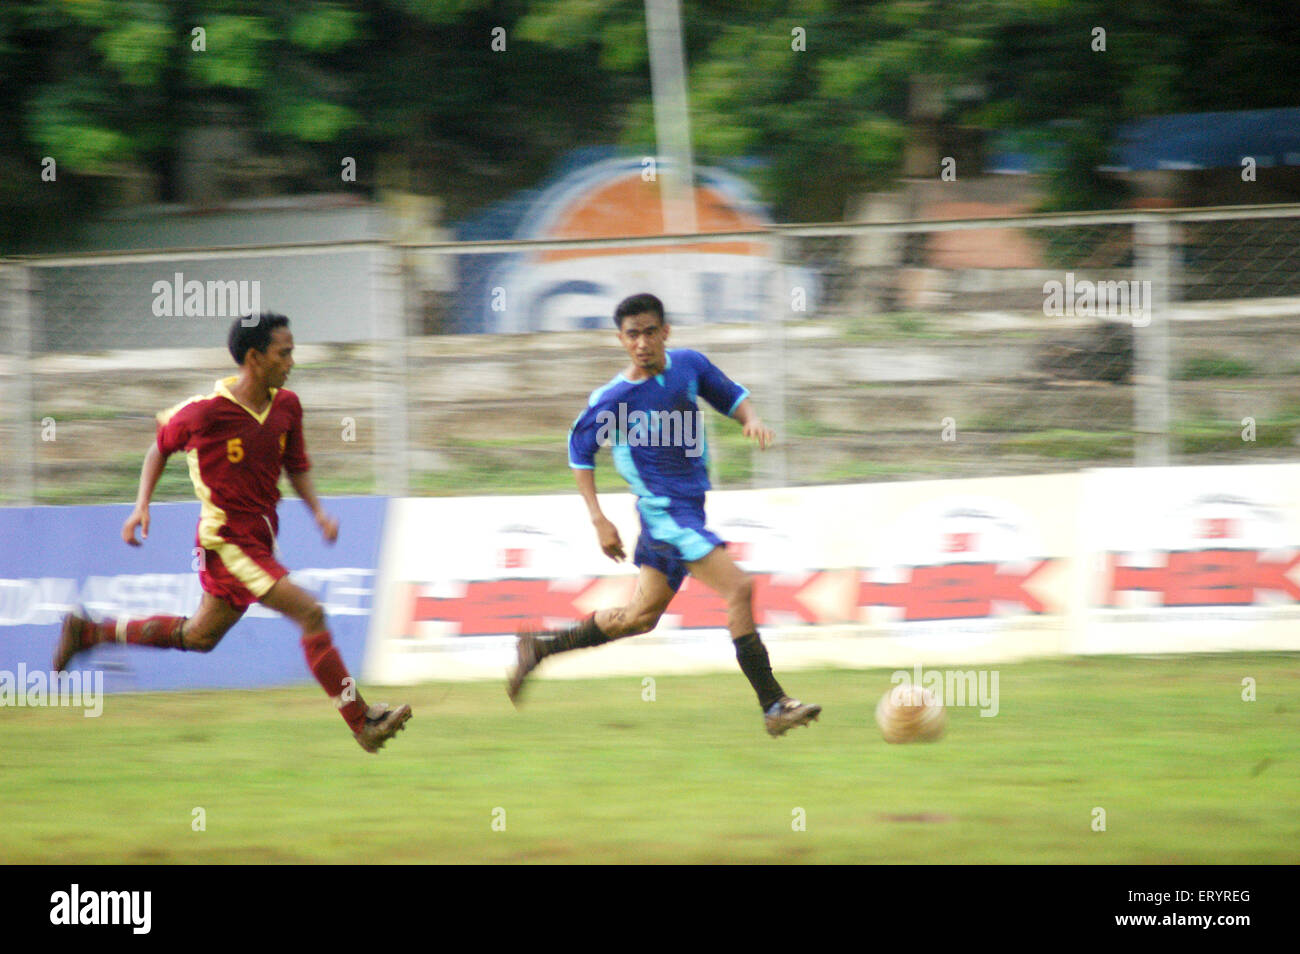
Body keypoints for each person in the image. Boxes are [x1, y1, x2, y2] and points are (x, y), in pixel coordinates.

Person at [54, 313, 411, 753]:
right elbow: (159, 446)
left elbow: (296, 465)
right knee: (311, 613)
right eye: (284, 353)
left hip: (259, 541)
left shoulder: (287, 407)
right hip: (226, 543)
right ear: (255, 358)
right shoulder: (205, 412)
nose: (291, 362)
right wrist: (141, 505)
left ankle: (88, 633)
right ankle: (362, 721)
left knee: (199, 637)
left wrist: (318, 512)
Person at [507, 293, 821, 737]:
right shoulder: (614, 399)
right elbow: (579, 452)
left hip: (688, 510)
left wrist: (750, 419)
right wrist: (598, 519)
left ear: (665, 332)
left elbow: (731, 396)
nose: (642, 343)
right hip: (664, 516)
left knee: (640, 617)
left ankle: (540, 649)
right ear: (621, 339)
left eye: (650, 332)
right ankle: (774, 705)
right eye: (632, 334)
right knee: (740, 587)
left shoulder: (689, 366)